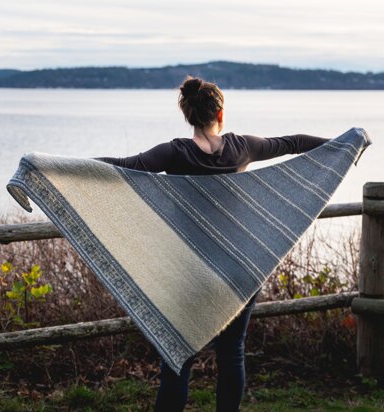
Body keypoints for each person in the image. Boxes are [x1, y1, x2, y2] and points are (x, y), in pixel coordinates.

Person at [93, 75, 330, 411]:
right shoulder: (242, 147)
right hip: (239, 269)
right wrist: (344, 142)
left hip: (189, 271)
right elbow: (293, 142)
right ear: (220, 114)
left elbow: (123, 168)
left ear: (188, 115)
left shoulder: (173, 153)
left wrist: (60, 166)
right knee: (232, 354)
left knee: (178, 356)